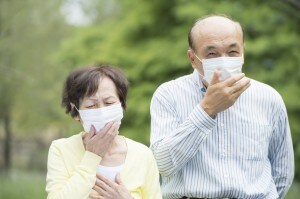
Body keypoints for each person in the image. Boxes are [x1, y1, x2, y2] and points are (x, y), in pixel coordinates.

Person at [150, 15, 294, 199]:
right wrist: (207, 110)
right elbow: (162, 164)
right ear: (193, 58)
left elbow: (282, 173)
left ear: (243, 52)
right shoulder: (169, 95)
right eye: (212, 54)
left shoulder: (268, 98)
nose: (224, 59)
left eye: (233, 52)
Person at [46, 64, 162, 199]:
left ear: (122, 105)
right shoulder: (61, 150)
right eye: (91, 105)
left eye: (109, 103)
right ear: (76, 113)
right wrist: (92, 156)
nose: (101, 112)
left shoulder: (143, 155)